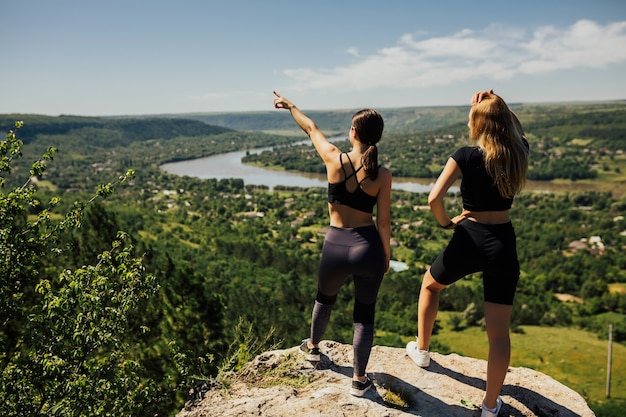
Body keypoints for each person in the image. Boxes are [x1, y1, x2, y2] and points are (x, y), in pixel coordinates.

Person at [405, 90, 529, 417]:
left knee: (430, 286)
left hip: (469, 236)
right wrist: (497, 103)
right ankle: (490, 407)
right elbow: (514, 129)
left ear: (477, 121)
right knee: (498, 333)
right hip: (502, 239)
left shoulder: (465, 155)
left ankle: (422, 350)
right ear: (504, 120)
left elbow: (434, 199)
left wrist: (448, 223)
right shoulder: (518, 150)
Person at [273, 91, 392, 397]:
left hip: (336, 245)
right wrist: (386, 256)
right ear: (376, 137)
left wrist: (291, 106)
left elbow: (310, 128)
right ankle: (359, 379)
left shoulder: (333, 159)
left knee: (324, 299)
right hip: (368, 247)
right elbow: (383, 222)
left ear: (353, 133)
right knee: (364, 315)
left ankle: (312, 349)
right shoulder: (383, 175)